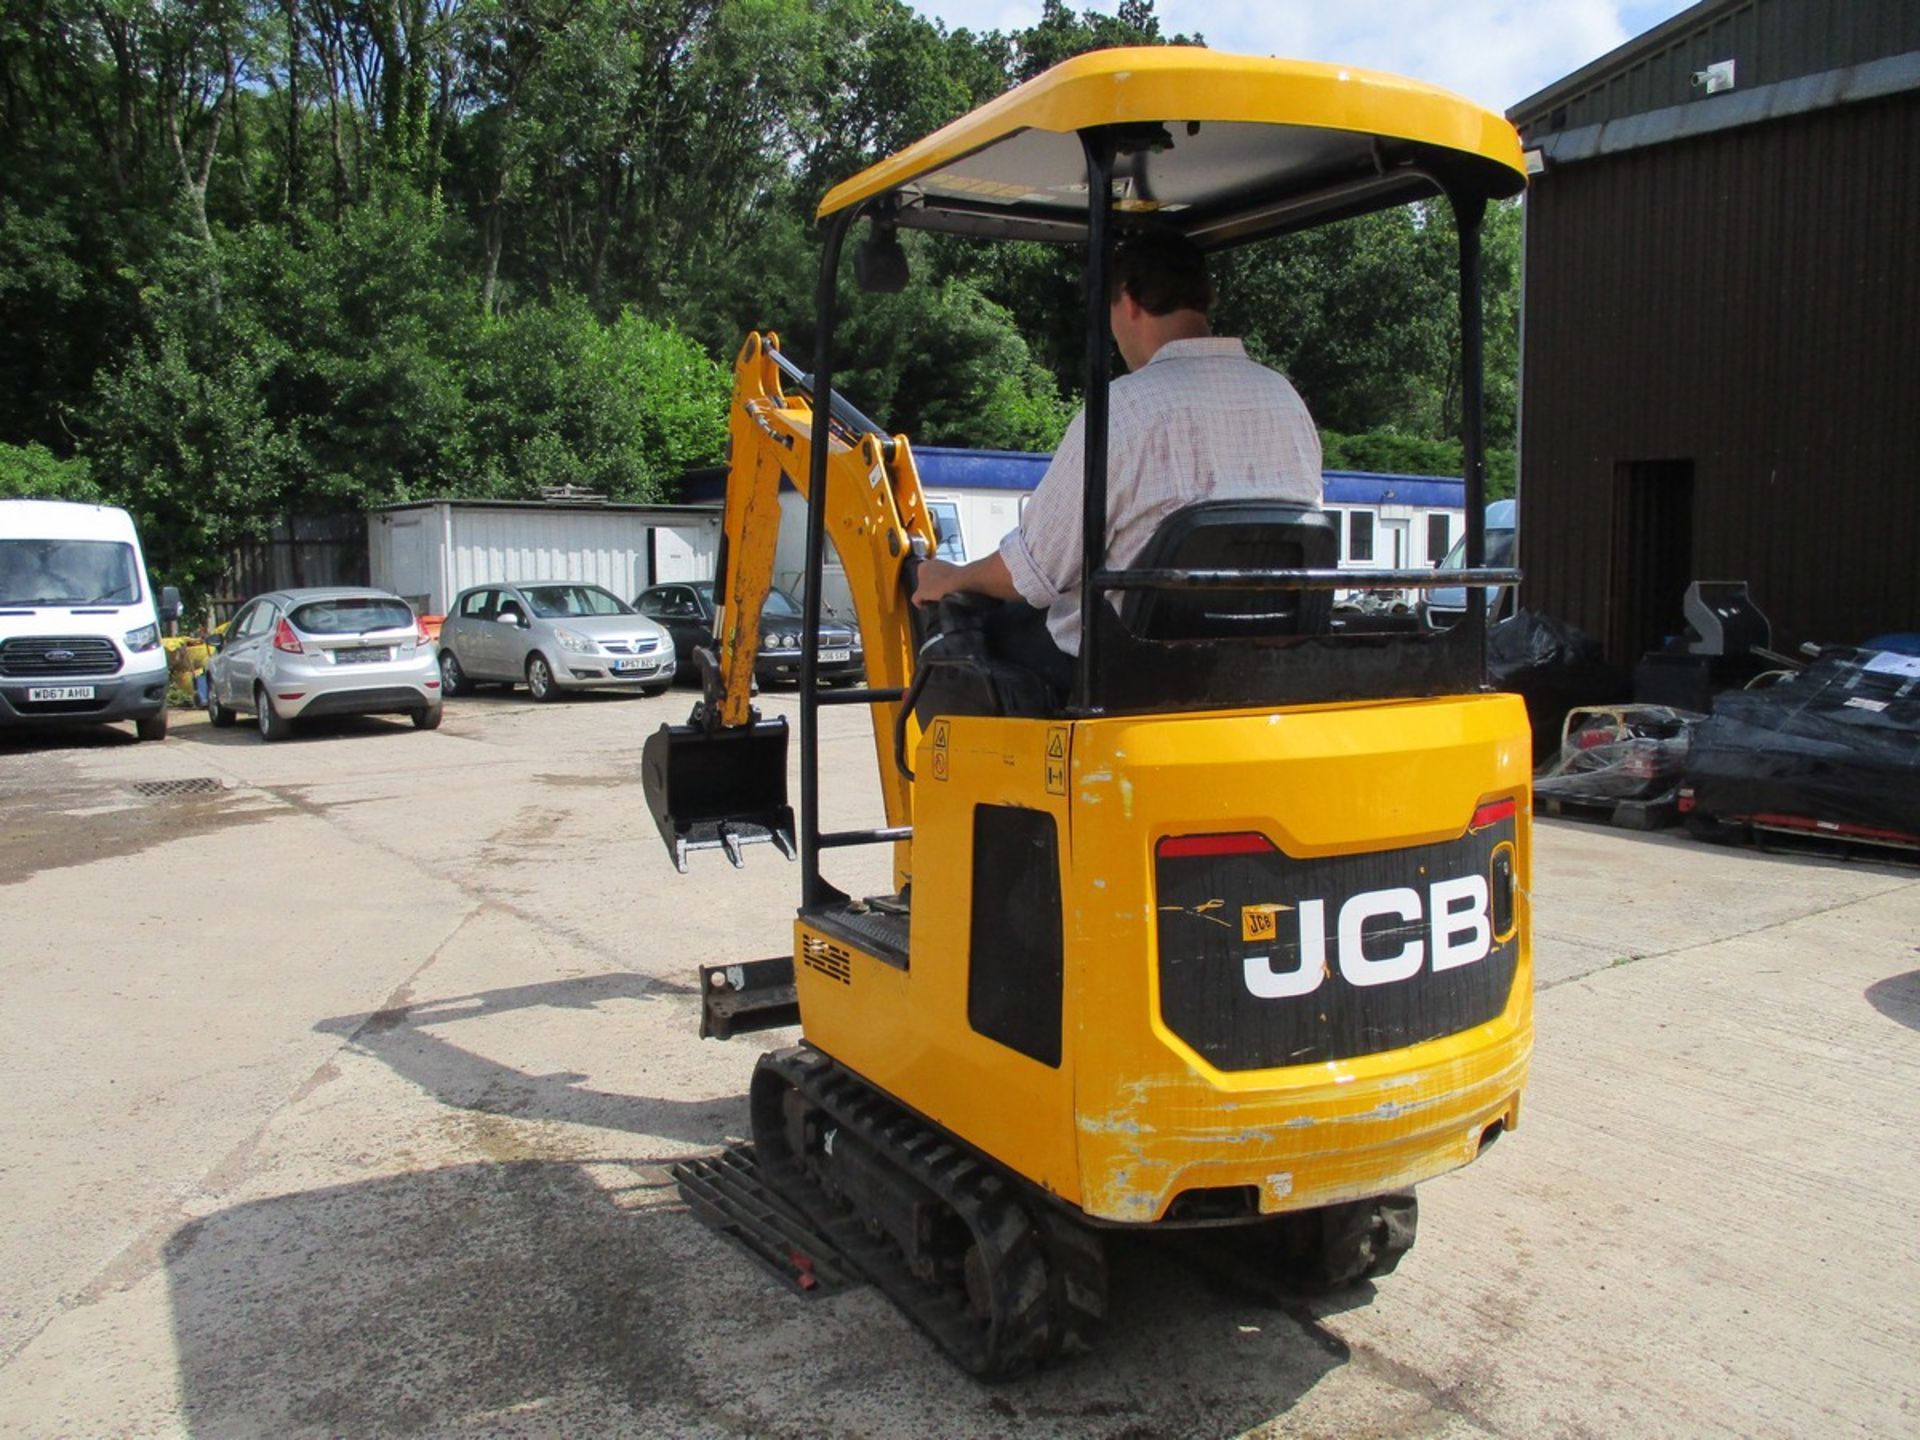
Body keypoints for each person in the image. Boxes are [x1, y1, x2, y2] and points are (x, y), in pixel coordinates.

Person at [910, 231, 1322, 693]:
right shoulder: (1286, 401)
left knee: (953, 641)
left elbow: (1034, 572)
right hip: (1255, 663)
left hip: (1129, 673)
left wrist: (951, 577)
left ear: (1128, 300)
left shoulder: (1122, 411)